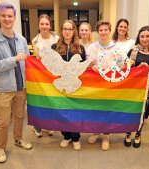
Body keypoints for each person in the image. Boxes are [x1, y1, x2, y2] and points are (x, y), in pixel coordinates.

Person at [0, 2, 32, 163]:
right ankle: (0, 148)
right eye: (3, 15)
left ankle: (18, 139)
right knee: (3, 121)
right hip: (4, 88)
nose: (7, 19)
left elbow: (27, 62)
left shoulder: (21, 40)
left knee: (19, 116)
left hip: (21, 86)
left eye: (10, 16)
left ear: (14, 17)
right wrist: (14, 59)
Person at [86, 20, 126, 151]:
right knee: (95, 109)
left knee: (107, 109)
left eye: (106, 30)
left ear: (110, 31)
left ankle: (106, 136)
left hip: (110, 83)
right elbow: (87, 63)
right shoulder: (92, 48)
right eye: (101, 30)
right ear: (98, 32)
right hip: (95, 84)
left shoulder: (116, 48)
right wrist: (93, 67)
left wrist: (126, 64)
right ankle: (96, 133)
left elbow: (121, 64)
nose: (103, 32)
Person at [51, 20, 86, 151]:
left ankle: (76, 137)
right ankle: (66, 136)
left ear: (74, 31)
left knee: (75, 112)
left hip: (74, 87)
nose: (67, 32)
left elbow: (84, 69)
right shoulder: (54, 47)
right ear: (61, 30)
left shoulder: (80, 48)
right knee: (62, 112)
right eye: (65, 29)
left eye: (70, 29)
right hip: (59, 87)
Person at [124, 26, 149, 148]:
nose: (145, 39)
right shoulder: (132, 51)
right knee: (131, 112)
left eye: (147, 36)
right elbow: (125, 69)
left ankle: (138, 134)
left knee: (143, 114)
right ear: (139, 37)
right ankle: (128, 133)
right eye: (142, 36)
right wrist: (130, 64)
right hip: (133, 89)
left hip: (147, 90)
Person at [31, 14, 59, 137]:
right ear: (38, 25)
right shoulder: (34, 40)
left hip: (53, 73)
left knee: (51, 100)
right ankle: (37, 125)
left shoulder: (57, 38)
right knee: (40, 100)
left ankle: (49, 125)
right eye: (42, 24)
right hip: (40, 74)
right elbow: (35, 58)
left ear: (50, 25)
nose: (44, 26)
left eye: (46, 24)